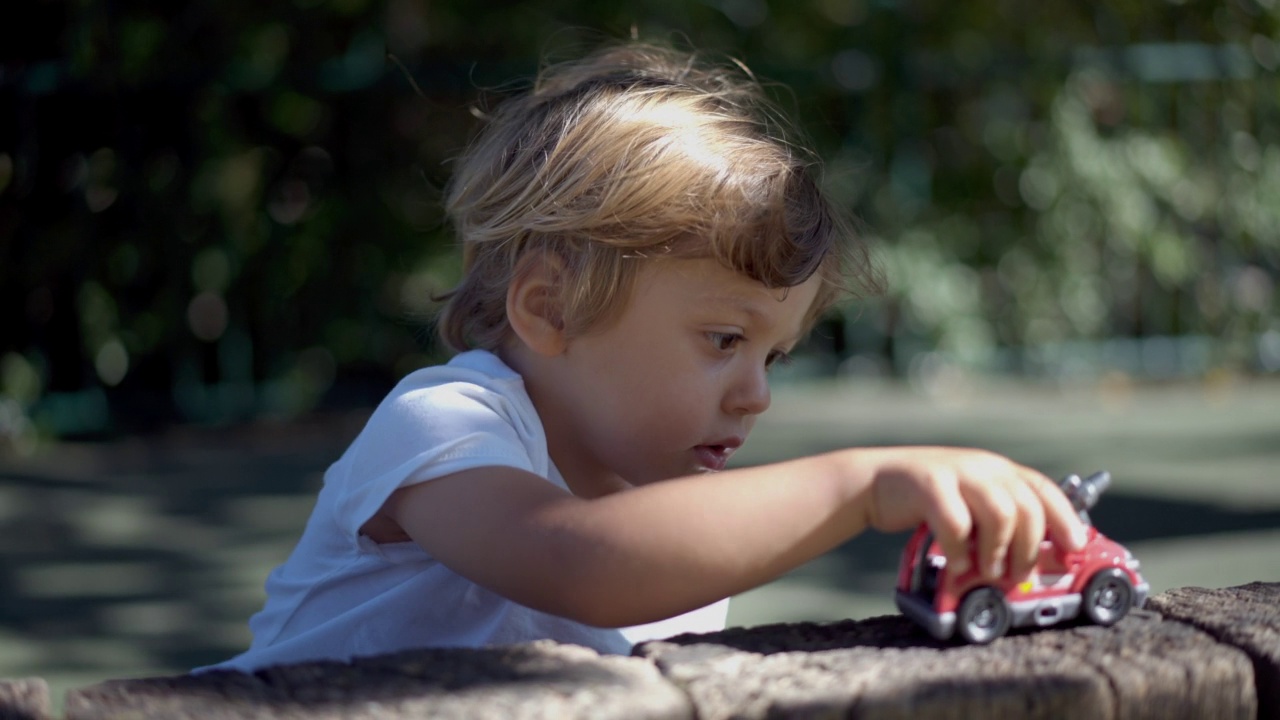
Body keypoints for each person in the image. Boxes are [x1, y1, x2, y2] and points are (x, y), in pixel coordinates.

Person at [200, 40, 1087, 672]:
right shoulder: (443, 422)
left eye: (774, 356)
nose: (756, 396)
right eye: (725, 341)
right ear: (549, 309)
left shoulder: (678, 519)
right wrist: (861, 485)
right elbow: (578, 565)